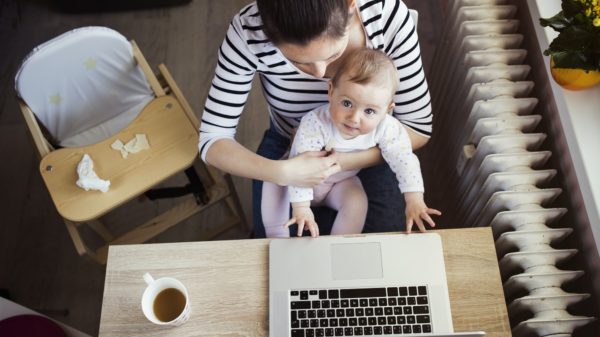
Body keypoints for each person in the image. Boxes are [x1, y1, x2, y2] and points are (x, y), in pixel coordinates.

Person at [199, 0, 433, 237]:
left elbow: (417, 128)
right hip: (288, 147)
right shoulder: (248, 32)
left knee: (381, 248)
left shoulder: (385, 17)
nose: (321, 75)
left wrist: (341, 161)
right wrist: (283, 172)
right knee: (276, 250)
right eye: (298, 61)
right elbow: (212, 140)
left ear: (351, 7)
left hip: (371, 148)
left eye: (333, 54)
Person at [262, 48, 440, 238]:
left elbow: (404, 159)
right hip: (298, 178)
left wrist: (414, 199)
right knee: (273, 181)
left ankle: (341, 243)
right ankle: (276, 236)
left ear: (387, 110)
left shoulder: (387, 128)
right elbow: (301, 164)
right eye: (347, 103)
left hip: (339, 183)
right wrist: (302, 207)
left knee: (356, 201)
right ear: (331, 91)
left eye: (369, 111)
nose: (354, 118)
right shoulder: (316, 122)